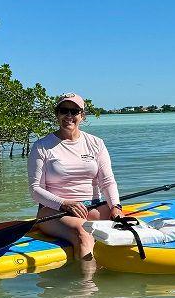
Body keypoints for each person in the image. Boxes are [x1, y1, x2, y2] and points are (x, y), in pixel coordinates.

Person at [28, 93, 123, 261]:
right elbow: (35, 190)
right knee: (84, 234)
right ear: (57, 114)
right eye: (64, 110)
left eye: (74, 111)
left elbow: (107, 181)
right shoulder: (41, 146)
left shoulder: (96, 143)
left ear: (82, 115)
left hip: (92, 208)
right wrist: (64, 204)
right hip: (54, 212)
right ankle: (87, 285)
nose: (69, 116)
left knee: (126, 226)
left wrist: (116, 207)